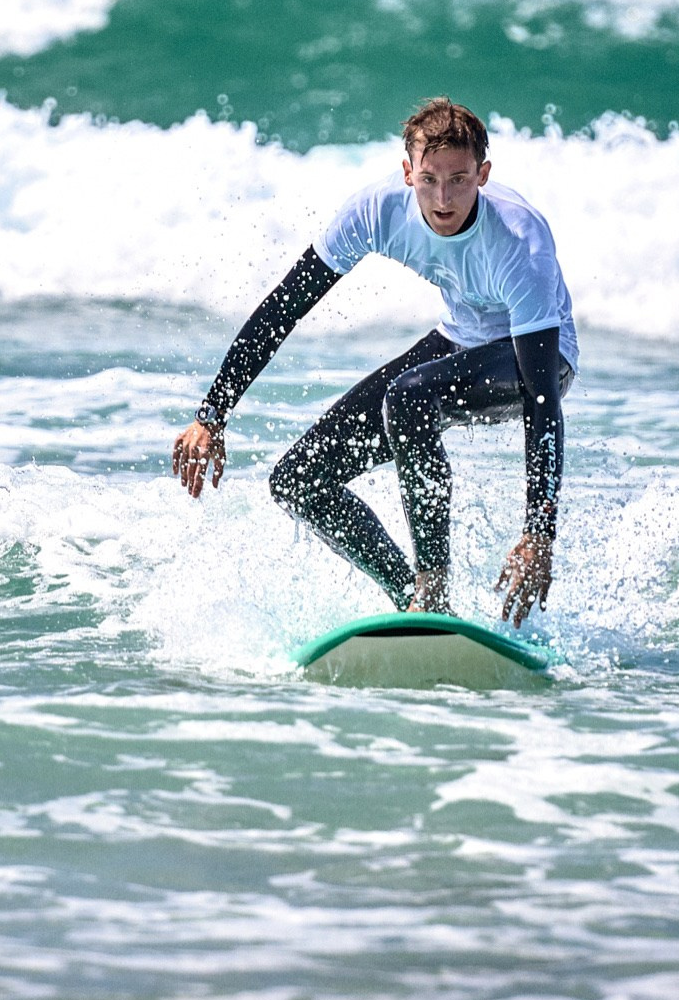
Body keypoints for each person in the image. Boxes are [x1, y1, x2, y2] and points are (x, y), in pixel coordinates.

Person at [170, 98, 577, 624]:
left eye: (460, 179)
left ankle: (432, 589)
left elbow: (543, 397)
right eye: (429, 179)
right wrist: (212, 414)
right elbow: (285, 306)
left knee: (409, 394)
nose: (444, 197)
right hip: (460, 341)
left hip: (538, 357)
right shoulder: (376, 209)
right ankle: (414, 595)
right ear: (407, 172)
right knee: (298, 480)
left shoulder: (519, 239)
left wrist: (539, 531)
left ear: (484, 174)